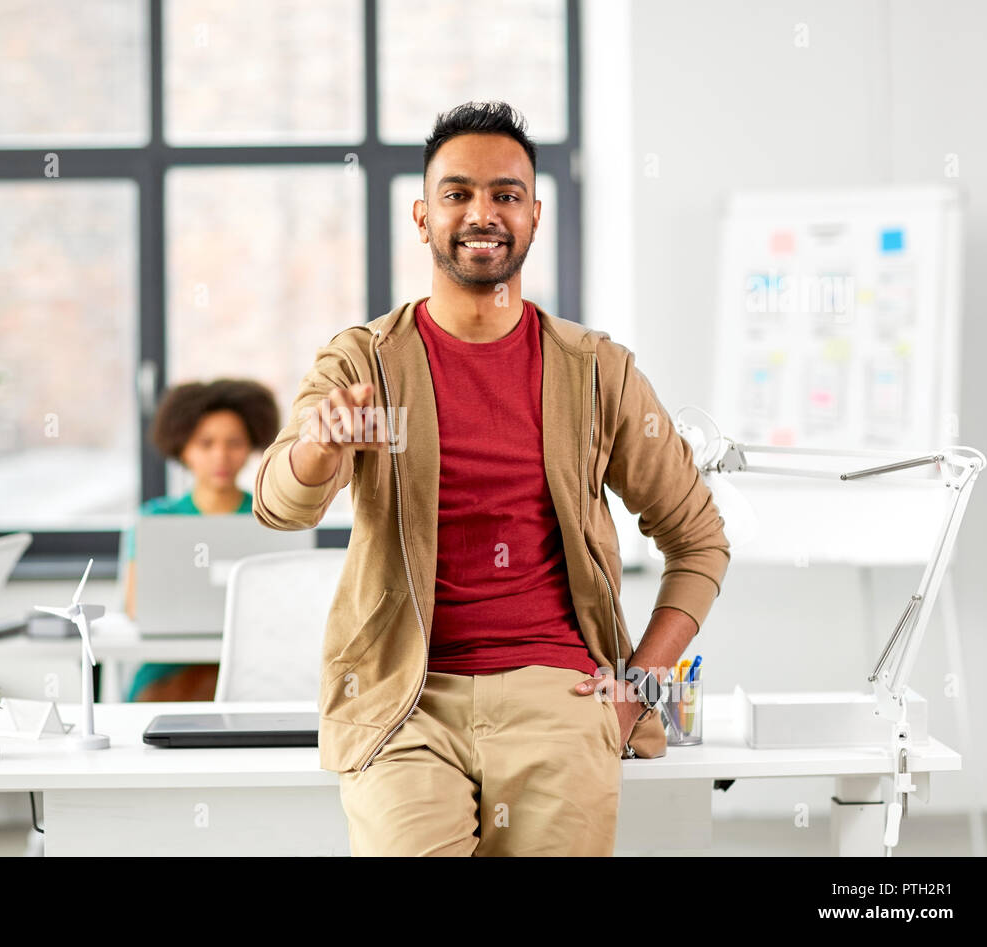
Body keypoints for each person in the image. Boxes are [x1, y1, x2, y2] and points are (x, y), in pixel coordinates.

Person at [253, 101, 731, 856]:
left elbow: (699, 540)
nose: (483, 213)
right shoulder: (365, 363)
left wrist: (640, 683)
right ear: (421, 216)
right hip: (404, 700)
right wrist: (320, 447)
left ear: (535, 216)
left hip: (560, 694)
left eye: (506, 194)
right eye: (458, 193)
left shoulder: (596, 373)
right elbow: (279, 505)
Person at [124, 379, 279, 701]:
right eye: (205, 444)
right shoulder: (155, 520)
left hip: (254, 666)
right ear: (183, 449)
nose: (221, 456)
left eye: (234, 443)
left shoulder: (272, 518)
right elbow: (136, 607)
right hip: (169, 672)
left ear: (250, 446)